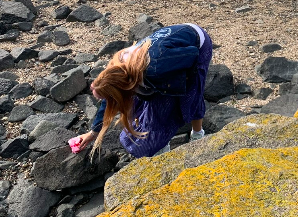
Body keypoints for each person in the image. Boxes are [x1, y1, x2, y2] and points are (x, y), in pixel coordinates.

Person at [69, 23, 212, 158]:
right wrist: (93, 133)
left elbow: (192, 53)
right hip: (167, 48)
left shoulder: (155, 68)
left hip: (197, 44)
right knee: (148, 101)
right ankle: (163, 143)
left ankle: (198, 135)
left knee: (191, 96)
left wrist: (178, 87)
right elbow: (109, 100)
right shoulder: (115, 71)